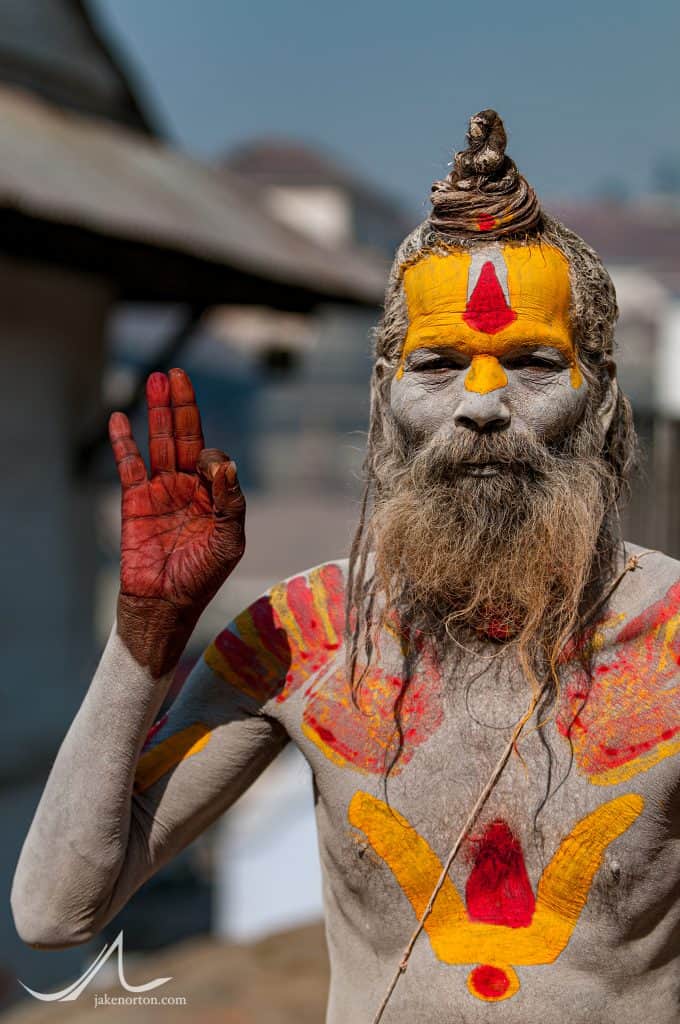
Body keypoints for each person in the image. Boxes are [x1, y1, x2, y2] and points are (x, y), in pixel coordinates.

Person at [11, 110, 680, 1023]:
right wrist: (145, 636)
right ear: (383, 398)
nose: (481, 405)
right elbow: (54, 911)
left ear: (599, 396)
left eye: (529, 362)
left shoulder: (673, 635)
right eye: (439, 364)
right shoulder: (308, 637)